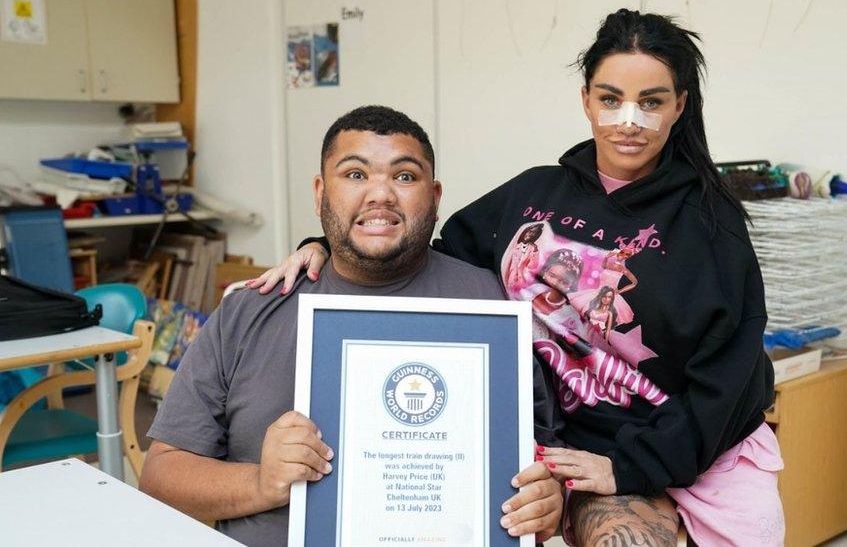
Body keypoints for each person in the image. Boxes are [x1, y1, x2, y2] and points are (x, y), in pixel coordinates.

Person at [250, 10, 784, 547]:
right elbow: (426, 258)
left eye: (651, 102)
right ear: (585, 100)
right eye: (610, 98)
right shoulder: (535, 193)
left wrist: (633, 466)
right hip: (587, 454)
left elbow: (731, 378)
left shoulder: (713, 224)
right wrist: (327, 245)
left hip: (706, 450)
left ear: (679, 107)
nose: (628, 120)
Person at [139, 106, 563, 546]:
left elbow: (541, 460)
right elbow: (160, 476)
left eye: (404, 176)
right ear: (320, 192)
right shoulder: (249, 309)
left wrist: (548, 499)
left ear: (435, 197)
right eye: (355, 175)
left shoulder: (491, 306)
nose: (380, 194)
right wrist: (260, 484)